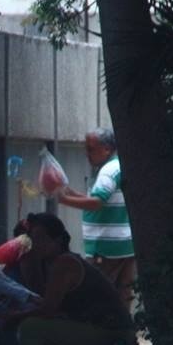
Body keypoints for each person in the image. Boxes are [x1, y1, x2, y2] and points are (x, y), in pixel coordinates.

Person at [12, 213, 134, 345]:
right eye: (33, 240)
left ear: (57, 239)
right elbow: (43, 300)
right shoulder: (50, 263)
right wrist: (30, 265)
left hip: (109, 332)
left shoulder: (65, 263)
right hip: (96, 328)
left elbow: (47, 309)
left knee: (30, 328)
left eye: (41, 239)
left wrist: (13, 317)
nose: (37, 244)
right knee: (42, 329)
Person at [54, 128, 135, 308]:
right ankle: (123, 333)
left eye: (91, 149)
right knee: (123, 295)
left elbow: (97, 203)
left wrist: (64, 199)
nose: (86, 154)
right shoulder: (119, 166)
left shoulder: (107, 171)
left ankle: (102, 333)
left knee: (98, 294)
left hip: (106, 248)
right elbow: (103, 201)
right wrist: (73, 193)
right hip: (125, 245)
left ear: (106, 149)